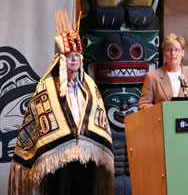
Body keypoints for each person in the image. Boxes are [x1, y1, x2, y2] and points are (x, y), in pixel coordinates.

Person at [8, 11, 114, 195]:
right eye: (70, 56)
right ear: (60, 59)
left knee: (85, 190)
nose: (74, 60)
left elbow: (99, 117)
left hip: (86, 155)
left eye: (77, 55)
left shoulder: (90, 85)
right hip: (57, 157)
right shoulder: (47, 86)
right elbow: (35, 119)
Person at [137, 33, 188, 110]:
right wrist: (160, 110)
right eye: (169, 50)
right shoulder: (152, 76)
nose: (173, 53)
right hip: (162, 120)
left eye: (177, 50)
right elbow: (143, 105)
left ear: (182, 52)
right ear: (164, 53)